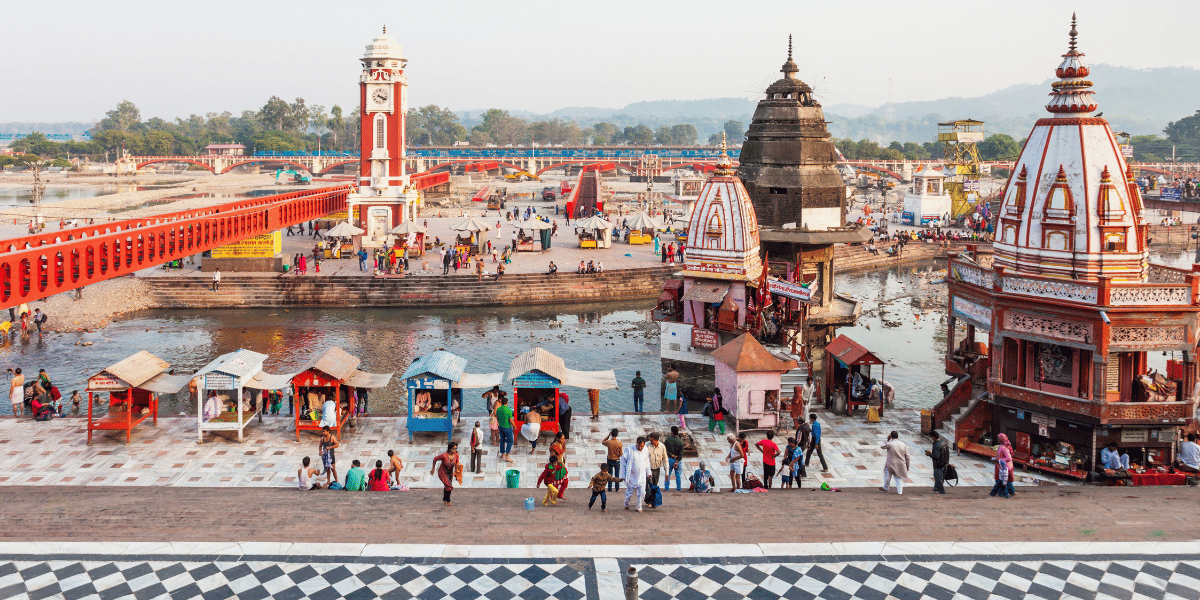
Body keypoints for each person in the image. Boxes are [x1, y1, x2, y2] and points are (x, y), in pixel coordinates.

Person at [621, 436, 651, 512]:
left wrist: (649, 472)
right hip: (631, 475)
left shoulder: (646, 450)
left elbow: (647, 461)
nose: (640, 448)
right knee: (629, 492)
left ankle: (639, 506)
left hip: (642, 475)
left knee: (642, 492)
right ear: (636, 443)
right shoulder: (629, 449)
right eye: (639, 446)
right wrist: (623, 475)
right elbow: (623, 462)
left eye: (642, 446)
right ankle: (627, 503)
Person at [430, 442, 461, 506]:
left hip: (450, 473)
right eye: (454, 449)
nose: (455, 450)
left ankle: (445, 499)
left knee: (447, 486)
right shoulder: (444, 455)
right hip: (442, 472)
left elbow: (457, 463)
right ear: (449, 449)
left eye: (456, 449)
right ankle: (448, 500)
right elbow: (435, 459)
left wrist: (457, 473)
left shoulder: (456, 455)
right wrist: (433, 468)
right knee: (449, 486)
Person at [881, 431, 910, 495]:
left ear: (891, 436)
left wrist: (887, 440)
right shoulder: (903, 444)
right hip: (900, 464)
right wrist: (907, 466)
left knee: (887, 476)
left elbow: (882, 446)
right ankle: (900, 492)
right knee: (898, 478)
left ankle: (885, 488)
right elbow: (907, 456)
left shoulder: (890, 444)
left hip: (890, 463)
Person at [990, 433, 1013, 498]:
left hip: (1003, 467)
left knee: (1000, 482)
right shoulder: (1004, 446)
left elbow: (1009, 458)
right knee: (1002, 483)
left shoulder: (1003, 448)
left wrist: (998, 460)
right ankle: (1009, 492)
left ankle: (1003, 494)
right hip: (1003, 467)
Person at [664, 426, 685, 491]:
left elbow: (664, 451)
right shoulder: (680, 441)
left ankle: (666, 488)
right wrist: (677, 461)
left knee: (668, 474)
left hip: (669, 459)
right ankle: (678, 488)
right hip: (677, 461)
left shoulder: (668, 440)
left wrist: (672, 455)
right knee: (678, 475)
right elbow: (681, 454)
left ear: (672, 432)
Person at [495, 397, 515, 463]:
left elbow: (497, 418)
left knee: (502, 440)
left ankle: (502, 454)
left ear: (501, 402)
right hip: (507, 428)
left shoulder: (498, 409)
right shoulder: (509, 410)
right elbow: (511, 420)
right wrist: (515, 426)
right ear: (507, 402)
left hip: (500, 427)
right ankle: (507, 456)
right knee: (510, 441)